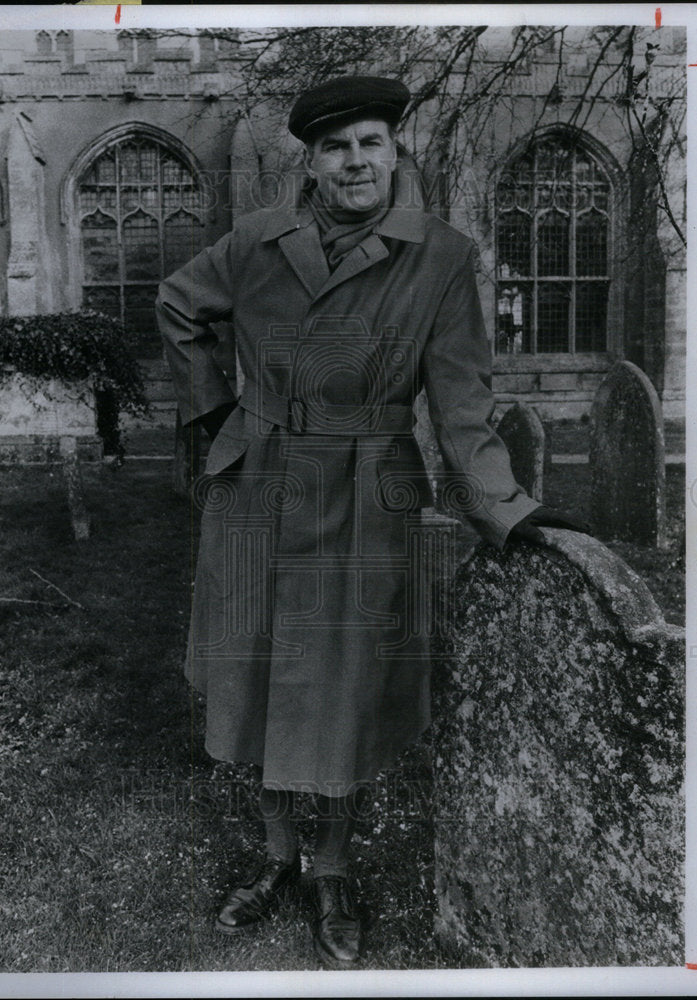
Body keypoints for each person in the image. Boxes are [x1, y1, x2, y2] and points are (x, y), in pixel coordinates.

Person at [156, 75, 586, 969]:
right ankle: (277, 858)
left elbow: (462, 404)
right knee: (258, 671)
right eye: (335, 147)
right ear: (308, 164)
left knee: (344, 683)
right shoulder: (256, 242)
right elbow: (179, 307)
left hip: (367, 490)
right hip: (259, 483)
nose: (355, 162)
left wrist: (505, 507)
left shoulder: (439, 257)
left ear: (395, 151)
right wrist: (213, 419)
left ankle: (335, 870)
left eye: (370, 143)